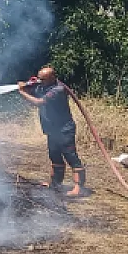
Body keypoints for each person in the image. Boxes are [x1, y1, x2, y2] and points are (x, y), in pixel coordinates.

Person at [17, 66, 87, 196]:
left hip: (64, 130)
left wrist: (22, 92)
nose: (39, 81)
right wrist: (25, 86)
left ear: (51, 78)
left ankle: (79, 188)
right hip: (52, 130)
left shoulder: (58, 90)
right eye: (38, 78)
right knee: (54, 157)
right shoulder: (44, 86)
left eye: (42, 79)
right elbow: (33, 94)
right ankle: (55, 184)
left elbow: (39, 102)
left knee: (71, 156)